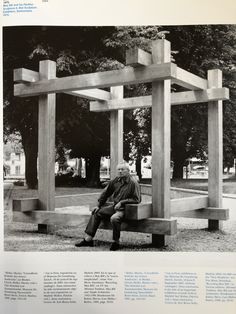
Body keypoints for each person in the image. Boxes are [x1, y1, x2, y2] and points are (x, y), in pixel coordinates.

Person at [75, 162, 141, 251]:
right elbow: (106, 193)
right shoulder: (115, 181)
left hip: (126, 210)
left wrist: (122, 202)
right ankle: (88, 240)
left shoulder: (133, 183)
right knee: (96, 212)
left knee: (114, 218)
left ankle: (116, 242)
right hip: (114, 207)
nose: (120, 171)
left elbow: (137, 199)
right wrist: (99, 205)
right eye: (119, 169)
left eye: (123, 169)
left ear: (128, 171)